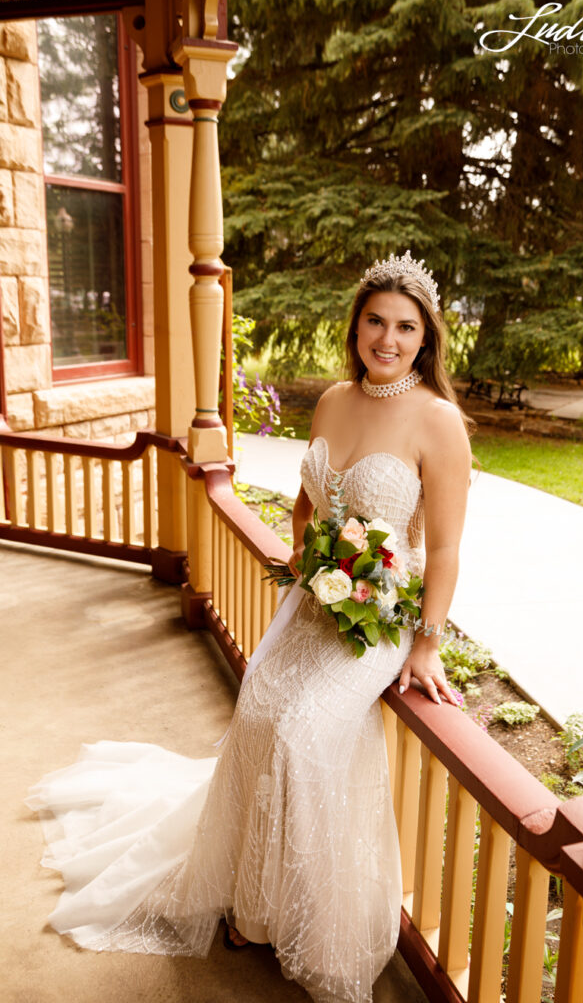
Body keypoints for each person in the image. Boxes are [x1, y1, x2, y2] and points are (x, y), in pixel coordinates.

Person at [26, 250, 472, 1003]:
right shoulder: (332, 399)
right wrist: (307, 552)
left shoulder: (438, 419)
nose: (387, 339)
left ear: (425, 338)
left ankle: (298, 914)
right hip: (315, 600)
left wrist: (426, 641)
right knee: (260, 706)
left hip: (380, 616)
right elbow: (309, 498)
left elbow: (450, 546)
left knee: (304, 730)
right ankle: (250, 899)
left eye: (405, 327)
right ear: (356, 324)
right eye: (374, 321)